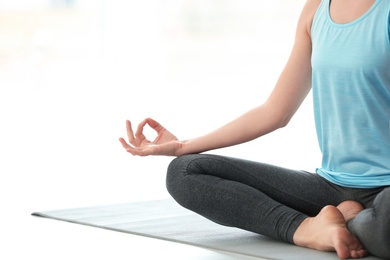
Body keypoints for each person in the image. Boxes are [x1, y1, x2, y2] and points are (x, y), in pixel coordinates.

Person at [119, 0, 390, 259]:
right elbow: (274, 112)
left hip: (386, 191)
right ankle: (305, 229)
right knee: (184, 172)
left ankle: (349, 220)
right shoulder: (316, 9)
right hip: (329, 186)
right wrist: (182, 147)